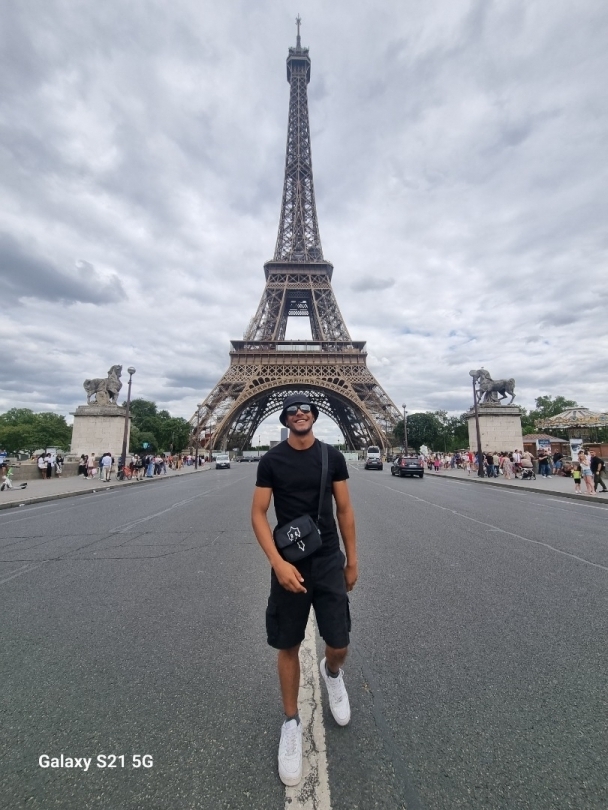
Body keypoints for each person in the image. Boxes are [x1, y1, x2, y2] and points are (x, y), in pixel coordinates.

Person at [251, 394, 358, 788]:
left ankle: (332, 673)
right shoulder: (271, 460)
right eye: (293, 410)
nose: (299, 413)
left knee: (339, 643)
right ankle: (291, 721)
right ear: (285, 418)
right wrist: (277, 563)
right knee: (288, 644)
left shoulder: (332, 456)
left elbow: (344, 509)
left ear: (314, 415)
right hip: (290, 563)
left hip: (327, 559)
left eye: (305, 409)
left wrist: (352, 560)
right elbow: (258, 513)